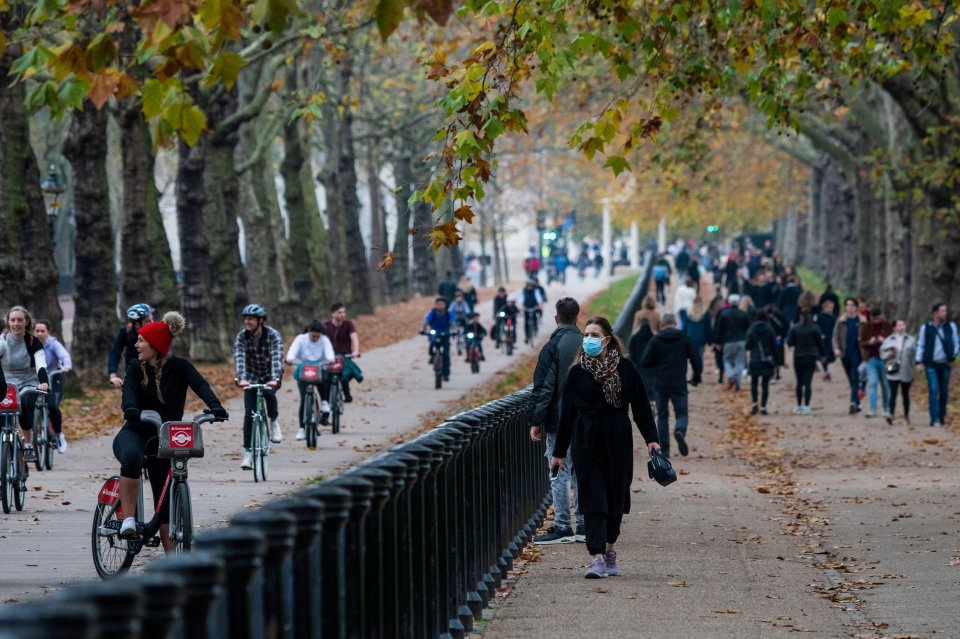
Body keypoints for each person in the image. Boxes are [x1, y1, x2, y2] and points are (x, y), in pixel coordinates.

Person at [549, 316, 660, 579]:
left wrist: (651, 439)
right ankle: (596, 557)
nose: (588, 339)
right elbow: (566, 415)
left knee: (615, 498)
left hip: (617, 438)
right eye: (586, 334)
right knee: (593, 497)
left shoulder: (626, 369)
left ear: (607, 340)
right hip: (586, 440)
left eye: (594, 335)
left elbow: (641, 407)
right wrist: (558, 452)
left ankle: (610, 550)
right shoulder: (577, 372)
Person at [114, 311, 228, 546]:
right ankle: (128, 520)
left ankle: (174, 566)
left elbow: (200, 384)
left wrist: (215, 407)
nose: (136, 345)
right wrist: (132, 410)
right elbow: (128, 395)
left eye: (141, 341)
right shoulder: (135, 367)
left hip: (164, 439)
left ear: (155, 345)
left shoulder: (181, 367)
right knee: (133, 458)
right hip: (135, 432)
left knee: (165, 500)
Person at [529, 298, 585, 544]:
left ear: (556, 318)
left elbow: (544, 387)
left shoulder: (553, 346)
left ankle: (562, 525)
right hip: (585, 418)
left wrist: (535, 420)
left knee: (558, 469)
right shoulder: (587, 343)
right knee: (581, 470)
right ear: (577, 318)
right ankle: (584, 523)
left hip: (558, 419)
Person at [640, 312, 702, 458]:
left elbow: (645, 361)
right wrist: (696, 378)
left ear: (662, 325)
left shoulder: (656, 340)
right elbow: (696, 361)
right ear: (675, 323)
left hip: (661, 384)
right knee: (682, 413)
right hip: (679, 384)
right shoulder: (685, 339)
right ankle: (679, 430)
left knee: (662, 416)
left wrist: (657, 364)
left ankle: (665, 448)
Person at [233, 303, 284, 469]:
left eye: (251, 319)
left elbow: (277, 358)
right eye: (245, 318)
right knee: (249, 414)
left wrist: (275, 378)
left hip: (271, 374)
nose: (247, 321)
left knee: (269, 393)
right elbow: (239, 358)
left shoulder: (273, 335)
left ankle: (274, 421)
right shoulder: (242, 337)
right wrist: (242, 378)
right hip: (251, 376)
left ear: (260, 320)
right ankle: (248, 454)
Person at [1, 307, 49, 462]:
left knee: (25, 401)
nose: (16, 323)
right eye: (13, 320)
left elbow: (41, 364)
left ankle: (28, 443)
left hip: (28, 382)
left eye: (20, 320)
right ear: (8, 322)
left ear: (26, 322)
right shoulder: (2, 341)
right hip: (5, 383)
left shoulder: (32, 341)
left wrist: (43, 382)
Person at [285, 320, 335, 441]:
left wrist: (330, 359)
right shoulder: (301, 339)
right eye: (313, 336)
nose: (315, 338)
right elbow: (293, 350)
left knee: (326, 377)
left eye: (317, 336)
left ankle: (324, 401)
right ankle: (302, 428)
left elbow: (329, 352)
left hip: (319, 368)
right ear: (309, 332)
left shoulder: (324, 340)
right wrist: (290, 359)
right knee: (304, 399)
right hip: (304, 369)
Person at [915, 303, 958, 426]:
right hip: (931, 364)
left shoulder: (951, 326)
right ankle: (934, 418)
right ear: (935, 313)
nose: (945, 313)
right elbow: (921, 345)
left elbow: (956, 342)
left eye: (945, 311)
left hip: (945, 364)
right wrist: (919, 361)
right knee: (933, 390)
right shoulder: (926, 328)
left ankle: (941, 415)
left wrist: (953, 355)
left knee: (944, 391)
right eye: (942, 311)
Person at [33, 320, 71, 454]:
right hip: (35, 379)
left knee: (53, 407)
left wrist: (66, 366)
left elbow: (64, 355)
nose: (39, 334)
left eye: (42, 331)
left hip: (52, 378)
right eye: (37, 331)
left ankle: (59, 434)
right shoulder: (29, 343)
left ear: (48, 332)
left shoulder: (53, 344)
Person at [787, 309, 825, 415]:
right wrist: (822, 355)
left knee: (799, 382)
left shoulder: (795, 328)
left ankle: (799, 405)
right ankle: (807, 406)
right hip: (811, 356)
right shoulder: (815, 328)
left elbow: (790, 342)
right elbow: (820, 343)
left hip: (798, 356)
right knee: (808, 382)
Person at [108, 303, 155, 388]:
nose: (152, 323)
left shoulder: (156, 333)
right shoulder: (126, 332)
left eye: (152, 320)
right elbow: (115, 353)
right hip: (132, 372)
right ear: (137, 325)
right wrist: (113, 376)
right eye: (148, 321)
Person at [323, 302, 361, 403]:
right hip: (329, 358)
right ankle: (325, 401)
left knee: (345, 375)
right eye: (339, 312)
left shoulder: (348, 324)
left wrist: (355, 351)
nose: (343, 314)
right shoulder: (326, 325)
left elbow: (354, 337)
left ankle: (347, 394)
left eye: (344, 312)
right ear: (333, 314)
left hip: (345, 356)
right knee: (326, 378)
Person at [881, 320, 916, 425]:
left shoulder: (911, 340)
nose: (901, 327)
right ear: (894, 327)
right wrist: (890, 354)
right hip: (893, 370)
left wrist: (916, 367)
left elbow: (915, 355)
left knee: (906, 394)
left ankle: (906, 416)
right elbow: (882, 355)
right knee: (893, 393)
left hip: (906, 370)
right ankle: (891, 414)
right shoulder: (888, 340)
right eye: (899, 325)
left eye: (903, 325)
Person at [859, 308, 893, 418]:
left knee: (885, 384)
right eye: (874, 318)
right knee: (872, 383)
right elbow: (861, 343)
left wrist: (885, 341)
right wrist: (870, 342)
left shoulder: (888, 326)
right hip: (871, 359)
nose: (876, 320)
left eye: (878, 318)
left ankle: (886, 408)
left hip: (885, 360)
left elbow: (894, 342)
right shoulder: (866, 327)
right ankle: (873, 409)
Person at [832, 298, 863, 414]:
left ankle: (853, 402)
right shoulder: (840, 321)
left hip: (857, 353)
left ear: (856, 307)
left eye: (852, 305)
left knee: (854, 377)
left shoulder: (861, 321)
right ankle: (858, 401)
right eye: (848, 305)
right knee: (851, 379)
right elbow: (835, 336)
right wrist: (836, 348)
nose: (850, 308)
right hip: (845, 353)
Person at [715, 293, 750, 391]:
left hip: (728, 341)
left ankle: (731, 376)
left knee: (726, 360)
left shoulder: (724, 314)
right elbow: (748, 328)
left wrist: (718, 342)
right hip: (741, 341)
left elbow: (719, 329)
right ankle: (738, 382)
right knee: (740, 362)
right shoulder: (743, 314)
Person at [745, 310, 777, 415]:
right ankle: (763, 406)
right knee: (765, 384)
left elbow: (748, 346)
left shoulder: (752, 329)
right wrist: (776, 360)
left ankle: (754, 403)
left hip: (755, 358)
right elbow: (774, 345)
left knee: (754, 382)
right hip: (767, 359)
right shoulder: (770, 329)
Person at [421, 297, 456, 380]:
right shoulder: (432, 313)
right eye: (438, 304)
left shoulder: (448, 313)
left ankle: (446, 374)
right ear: (436, 305)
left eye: (442, 304)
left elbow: (453, 322)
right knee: (432, 342)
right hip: (434, 332)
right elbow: (426, 322)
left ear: (445, 305)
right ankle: (432, 355)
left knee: (446, 354)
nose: (440, 306)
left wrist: (453, 331)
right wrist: (423, 330)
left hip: (445, 333)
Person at [628, 319, 658, 408]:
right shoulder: (654, 339)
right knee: (652, 390)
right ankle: (652, 404)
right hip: (652, 369)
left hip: (639, 368)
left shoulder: (634, 338)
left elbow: (631, 355)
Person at [815, 300, 838, 380]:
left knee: (831, 356)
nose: (831, 309)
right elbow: (817, 326)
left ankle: (828, 370)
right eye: (829, 308)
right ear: (825, 307)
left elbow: (836, 327)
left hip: (831, 338)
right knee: (824, 355)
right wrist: (820, 334)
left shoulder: (833, 317)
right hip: (823, 338)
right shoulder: (820, 316)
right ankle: (826, 371)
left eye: (832, 308)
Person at [684, 296, 710, 364]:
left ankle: (695, 370)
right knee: (700, 356)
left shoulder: (689, 313)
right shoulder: (705, 313)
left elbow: (685, 327)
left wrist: (684, 338)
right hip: (701, 338)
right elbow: (708, 328)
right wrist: (709, 340)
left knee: (692, 357)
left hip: (691, 338)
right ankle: (699, 371)